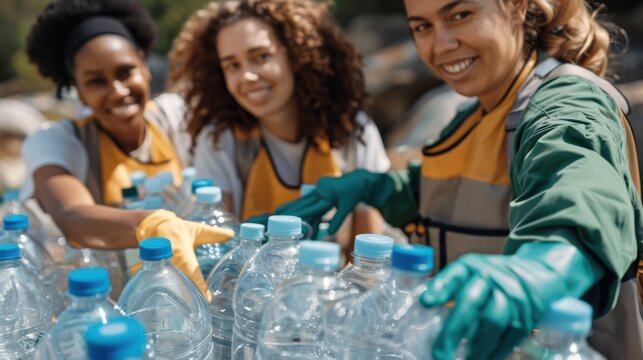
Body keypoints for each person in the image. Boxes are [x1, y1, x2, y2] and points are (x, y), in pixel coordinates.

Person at [274, 0, 643, 359]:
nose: (441, 45)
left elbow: (581, 192)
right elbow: (459, 191)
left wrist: (543, 267)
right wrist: (380, 188)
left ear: (516, 7)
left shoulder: (567, 103)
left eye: (460, 15)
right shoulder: (475, 113)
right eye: (422, 27)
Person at [22, 0, 233, 294]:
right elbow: (72, 216)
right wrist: (151, 224)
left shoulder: (173, 118)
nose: (117, 91)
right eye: (96, 82)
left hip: (181, 289)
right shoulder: (58, 141)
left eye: (125, 72)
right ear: (78, 91)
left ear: (145, 67)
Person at [167, 0, 390, 250]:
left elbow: (368, 256)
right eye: (232, 65)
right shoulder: (220, 140)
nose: (247, 76)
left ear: (296, 54)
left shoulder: (352, 130)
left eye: (261, 57)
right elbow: (220, 246)